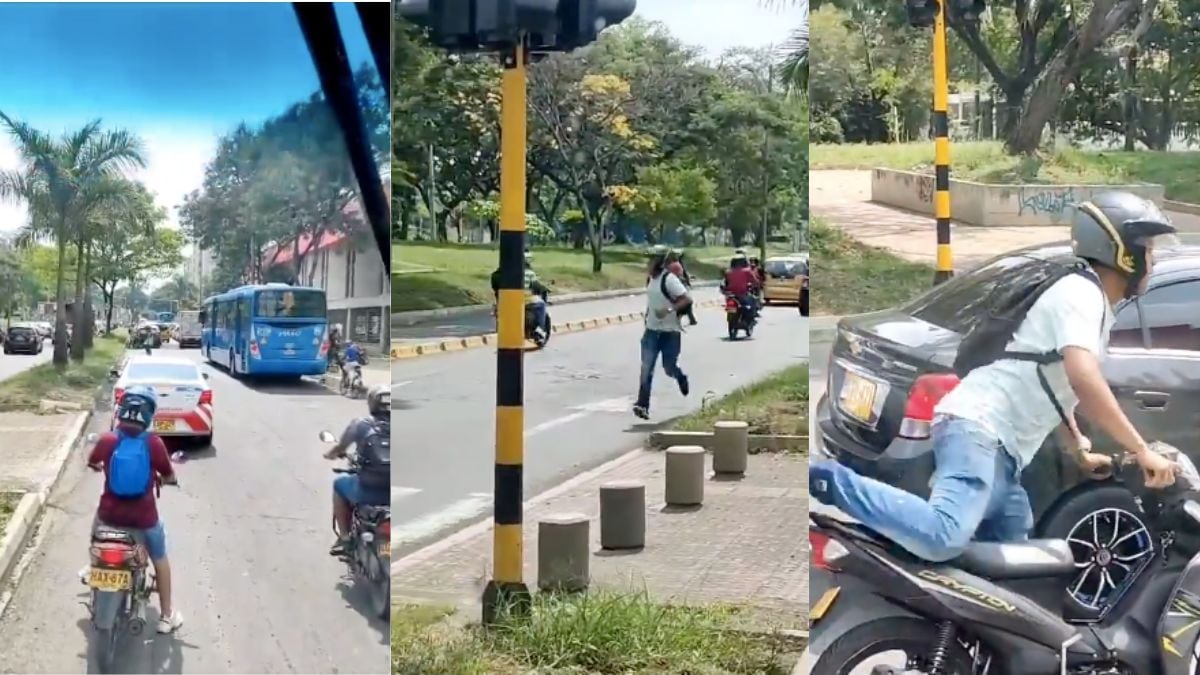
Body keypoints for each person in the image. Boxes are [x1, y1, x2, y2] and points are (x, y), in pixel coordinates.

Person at [810, 191, 1180, 562]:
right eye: (1146, 248)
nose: (1152, 259)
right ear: (1122, 252)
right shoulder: (1081, 294)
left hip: (1003, 451)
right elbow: (1082, 376)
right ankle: (827, 478)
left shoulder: (1090, 299)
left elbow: (1053, 382)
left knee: (1015, 573)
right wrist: (1141, 450)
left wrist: (1079, 447)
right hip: (979, 431)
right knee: (944, 535)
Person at [85, 385, 183, 634]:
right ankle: (166, 615)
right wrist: (166, 479)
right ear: (149, 414)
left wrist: (99, 467)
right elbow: (168, 474)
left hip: (110, 516)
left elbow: (92, 462)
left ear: (122, 410)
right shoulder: (154, 443)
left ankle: (94, 564)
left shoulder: (108, 439)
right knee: (160, 558)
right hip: (144, 519)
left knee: (96, 529)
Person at [324, 384, 391, 556]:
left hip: (367, 491)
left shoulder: (361, 424)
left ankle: (345, 538)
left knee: (339, 484)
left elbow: (340, 448)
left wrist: (330, 454)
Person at [634, 247, 692, 419]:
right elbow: (651, 302)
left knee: (669, 367)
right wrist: (648, 317)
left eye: (650, 260)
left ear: (658, 262)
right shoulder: (651, 280)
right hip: (652, 331)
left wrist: (668, 309)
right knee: (646, 368)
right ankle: (642, 405)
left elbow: (686, 299)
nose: (647, 264)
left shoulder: (669, 279)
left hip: (670, 332)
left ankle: (681, 377)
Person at [491, 251, 551, 338]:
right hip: (524, 300)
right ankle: (539, 331)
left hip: (504, 302)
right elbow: (536, 286)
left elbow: (495, 288)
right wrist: (544, 289)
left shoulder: (498, 274)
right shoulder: (528, 273)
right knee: (541, 305)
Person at [668, 250, 698, 326]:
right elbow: (684, 275)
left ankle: (679, 320)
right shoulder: (678, 264)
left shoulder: (674, 265)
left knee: (683, 303)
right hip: (680, 285)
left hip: (678, 285)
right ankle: (690, 319)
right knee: (686, 302)